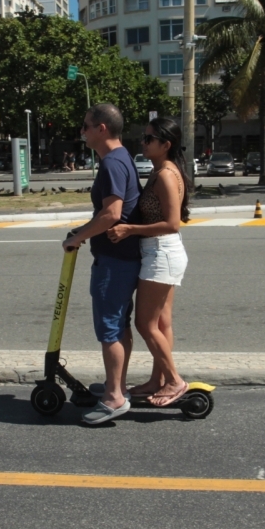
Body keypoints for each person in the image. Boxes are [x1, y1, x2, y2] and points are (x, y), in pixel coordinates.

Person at [62, 104, 141, 425]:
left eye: (85, 126)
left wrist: (77, 237)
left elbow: (111, 214)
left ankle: (113, 399)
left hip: (113, 261)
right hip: (123, 258)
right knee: (120, 326)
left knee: (110, 328)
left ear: (102, 128)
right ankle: (116, 387)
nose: (82, 132)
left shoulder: (111, 163)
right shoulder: (123, 158)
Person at [107, 117, 190, 406]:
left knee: (145, 324)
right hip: (160, 252)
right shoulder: (160, 170)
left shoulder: (166, 174)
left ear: (165, 145)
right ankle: (158, 381)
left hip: (161, 253)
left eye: (149, 139)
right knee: (162, 322)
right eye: (144, 137)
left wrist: (129, 229)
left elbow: (172, 223)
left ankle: (175, 381)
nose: (143, 143)